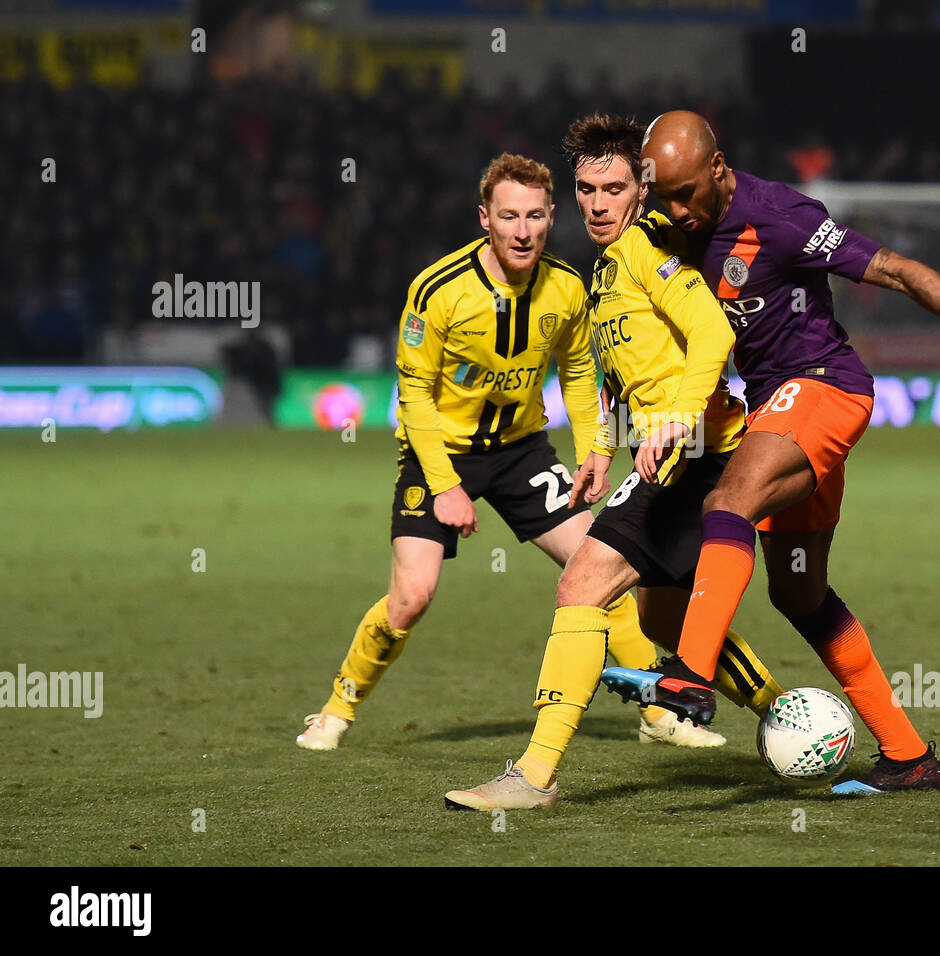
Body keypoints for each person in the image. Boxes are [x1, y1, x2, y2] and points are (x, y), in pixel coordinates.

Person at [601, 111, 940, 794]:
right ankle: (909, 756)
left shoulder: (777, 215)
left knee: (729, 500)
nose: (678, 209)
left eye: (689, 192)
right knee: (798, 592)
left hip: (825, 387)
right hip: (777, 410)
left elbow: (893, 270)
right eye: (666, 196)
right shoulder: (665, 231)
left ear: (719, 169)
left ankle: (690, 675)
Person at [295, 153, 723, 752]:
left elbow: (578, 372)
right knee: (412, 596)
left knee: (604, 566)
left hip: (522, 452)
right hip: (439, 453)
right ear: (485, 219)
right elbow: (413, 396)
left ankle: (657, 715)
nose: (523, 231)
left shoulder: (567, 287)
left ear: (551, 218)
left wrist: (593, 451)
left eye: (536, 217)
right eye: (509, 217)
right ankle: (336, 711)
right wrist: (445, 485)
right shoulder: (437, 290)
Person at [444, 116, 783, 811]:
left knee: (582, 584)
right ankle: (789, 718)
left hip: (697, 456)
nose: (597, 203)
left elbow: (713, 329)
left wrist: (678, 420)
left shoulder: (646, 248)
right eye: (586, 188)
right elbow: (613, 373)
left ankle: (533, 777)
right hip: (676, 456)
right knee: (662, 620)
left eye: (614, 187)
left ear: (642, 188)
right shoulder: (607, 265)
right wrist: (599, 449)